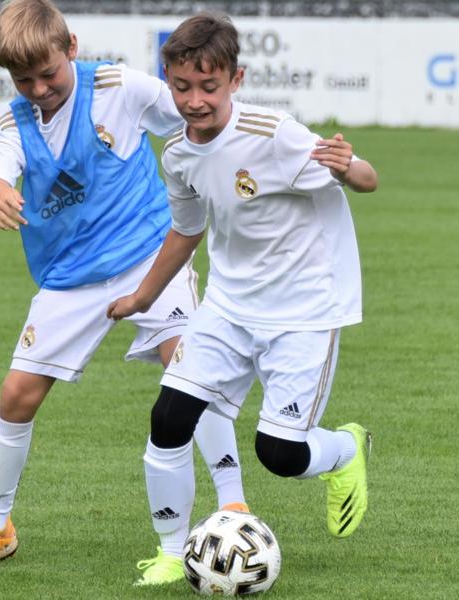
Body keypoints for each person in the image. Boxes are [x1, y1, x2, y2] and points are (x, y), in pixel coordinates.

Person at [0, 0, 249, 571]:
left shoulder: (118, 87)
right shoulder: (11, 121)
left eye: (49, 73)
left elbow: (198, 116)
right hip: (69, 278)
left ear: (72, 49)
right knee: (16, 397)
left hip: (149, 255)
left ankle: (235, 507)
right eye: (22, 79)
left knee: (189, 372)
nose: (38, 88)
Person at [106, 12, 379, 585]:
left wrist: (349, 166)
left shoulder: (272, 134)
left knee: (279, 454)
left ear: (236, 78)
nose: (195, 100)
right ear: (168, 80)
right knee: (169, 417)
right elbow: (186, 230)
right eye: (182, 87)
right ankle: (171, 552)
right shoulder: (177, 153)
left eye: (209, 86)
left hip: (303, 312)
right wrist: (142, 296)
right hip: (228, 308)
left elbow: (366, 178)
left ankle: (345, 452)